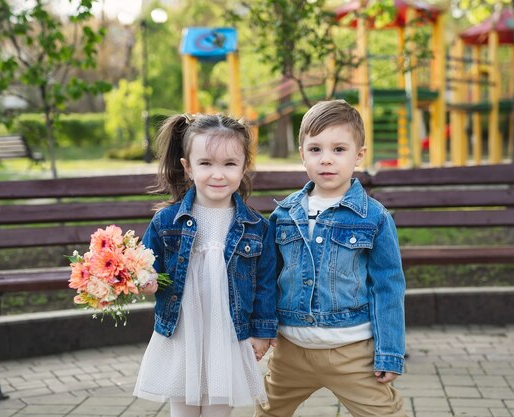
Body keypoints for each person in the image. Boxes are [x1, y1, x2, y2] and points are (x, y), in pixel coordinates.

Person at [256, 99, 408, 417]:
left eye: (339, 149)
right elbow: (268, 278)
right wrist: (262, 328)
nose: (326, 160)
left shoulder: (374, 217)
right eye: (316, 150)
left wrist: (389, 353)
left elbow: (388, 287)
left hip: (352, 352)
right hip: (291, 352)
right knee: (267, 412)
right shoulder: (284, 214)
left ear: (359, 155)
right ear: (302, 154)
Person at [134, 113, 277, 417]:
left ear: (244, 166)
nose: (218, 174)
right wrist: (145, 279)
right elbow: (146, 263)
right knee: (183, 410)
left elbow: (266, 285)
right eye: (206, 164)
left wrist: (262, 332)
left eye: (229, 164)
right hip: (183, 333)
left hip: (226, 335)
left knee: (217, 410)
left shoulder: (257, 228)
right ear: (187, 167)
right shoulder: (166, 222)